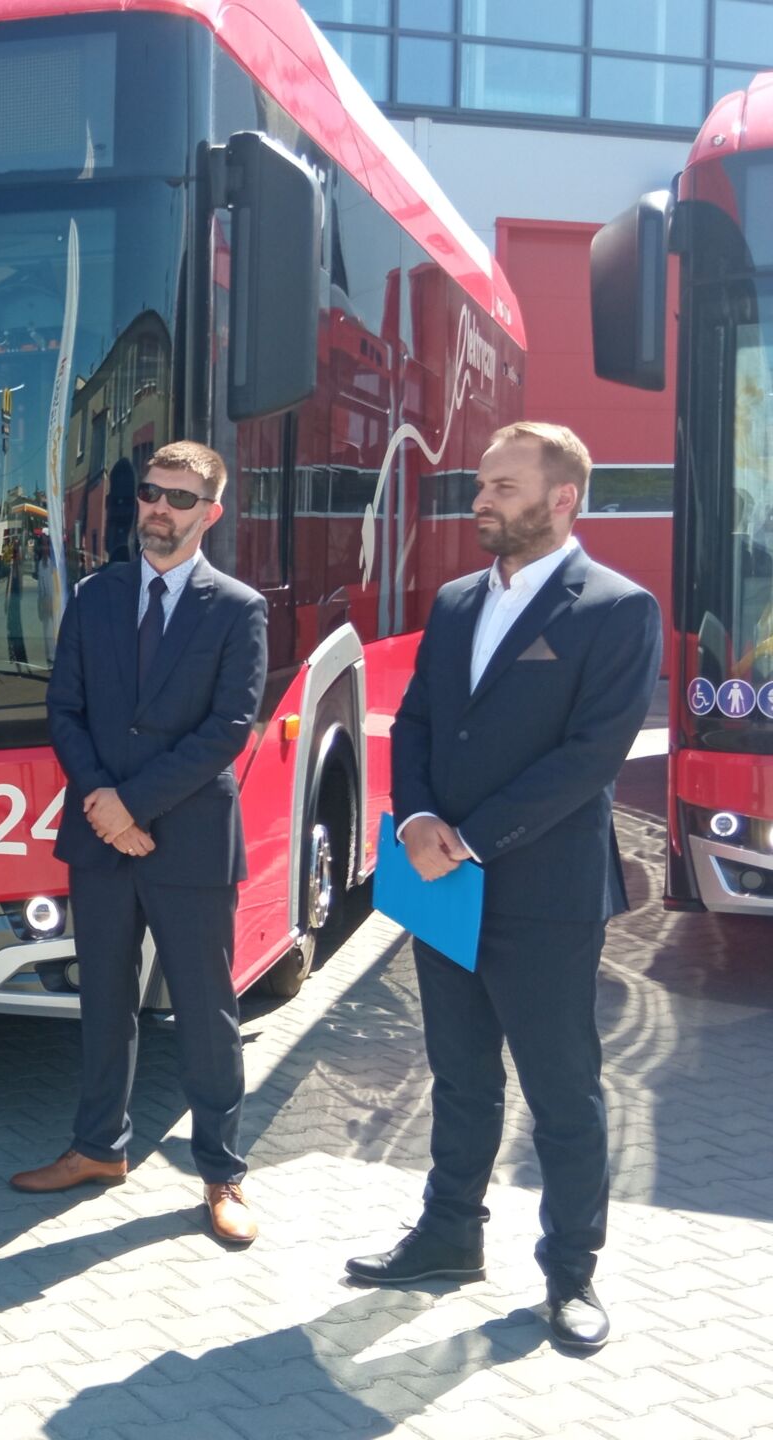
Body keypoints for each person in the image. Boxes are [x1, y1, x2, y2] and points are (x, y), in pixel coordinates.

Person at [344, 422, 661, 1353]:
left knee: (563, 1091)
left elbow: (590, 758)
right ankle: (450, 1236)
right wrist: (414, 818)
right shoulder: (454, 602)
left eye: (502, 487)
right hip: (442, 885)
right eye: (481, 484)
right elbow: (417, 721)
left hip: (545, 895)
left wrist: (469, 838)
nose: (480, 499)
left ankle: (571, 1274)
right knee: (459, 1075)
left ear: (563, 498)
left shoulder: (618, 608)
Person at [12, 440, 268, 1248]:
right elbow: (65, 710)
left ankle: (221, 1172)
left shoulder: (238, 609)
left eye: (179, 498)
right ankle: (98, 1149)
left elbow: (227, 729)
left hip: (187, 842)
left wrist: (132, 805)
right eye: (151, 493)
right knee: (102, 1002)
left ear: (210, 513)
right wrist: (103, 803)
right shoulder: (96, 597)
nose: (158, 508)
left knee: (206, 1011)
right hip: (99, 836)